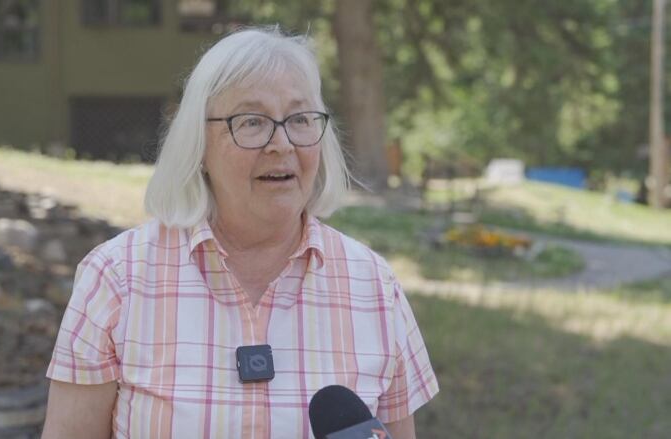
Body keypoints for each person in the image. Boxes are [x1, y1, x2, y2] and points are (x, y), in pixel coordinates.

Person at [41, 27, 438, 439]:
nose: (281, 144)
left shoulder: (374, 286)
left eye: (300, 119)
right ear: (199, 144)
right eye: (251, 122)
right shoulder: (116, 279)